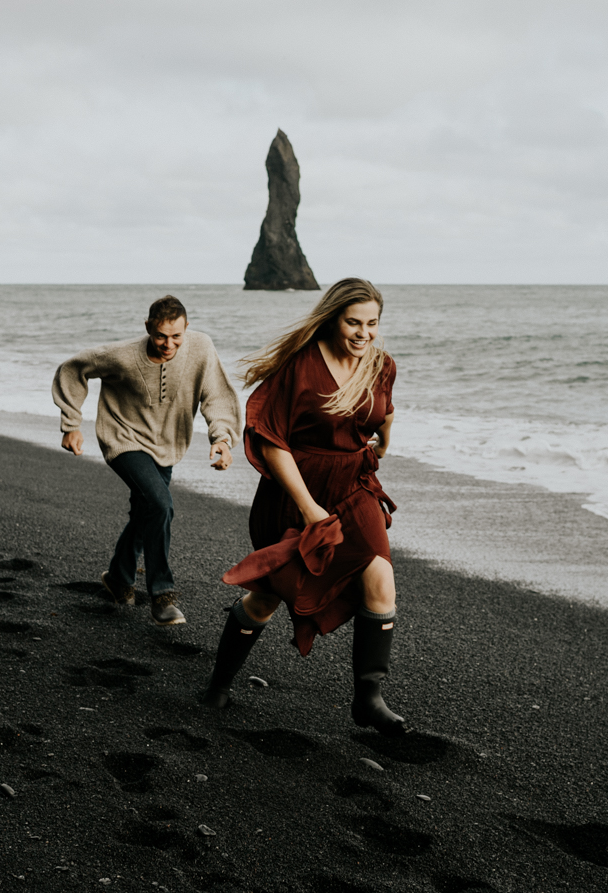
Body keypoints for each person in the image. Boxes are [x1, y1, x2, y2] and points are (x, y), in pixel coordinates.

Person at [199, 278, 409, 735]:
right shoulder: (300, 365)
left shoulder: (381, 365)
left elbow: (385, 407)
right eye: (354, 322)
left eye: (372, 324)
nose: (363, 333)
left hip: (354, 486)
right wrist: (310, 508)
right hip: (293, 491)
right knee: (268, 594)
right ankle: (219, 682)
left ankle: (369, 699)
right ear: (333, 318)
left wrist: (385, 439)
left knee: (380, 574)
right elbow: (272, 442)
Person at [52, 295, 240, 626]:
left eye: (177, 336)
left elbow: (218, 394)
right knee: (161, 504)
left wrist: (222, 438)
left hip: (166, 445)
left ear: (187, 328)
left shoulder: (201, 348)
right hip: (122, 439)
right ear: (148, 328)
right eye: (161, 336)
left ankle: (118, 579)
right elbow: (73, 369)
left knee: (145, 514)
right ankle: (162, 595)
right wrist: (71, 424)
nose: (169, 344)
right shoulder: (121, 356)